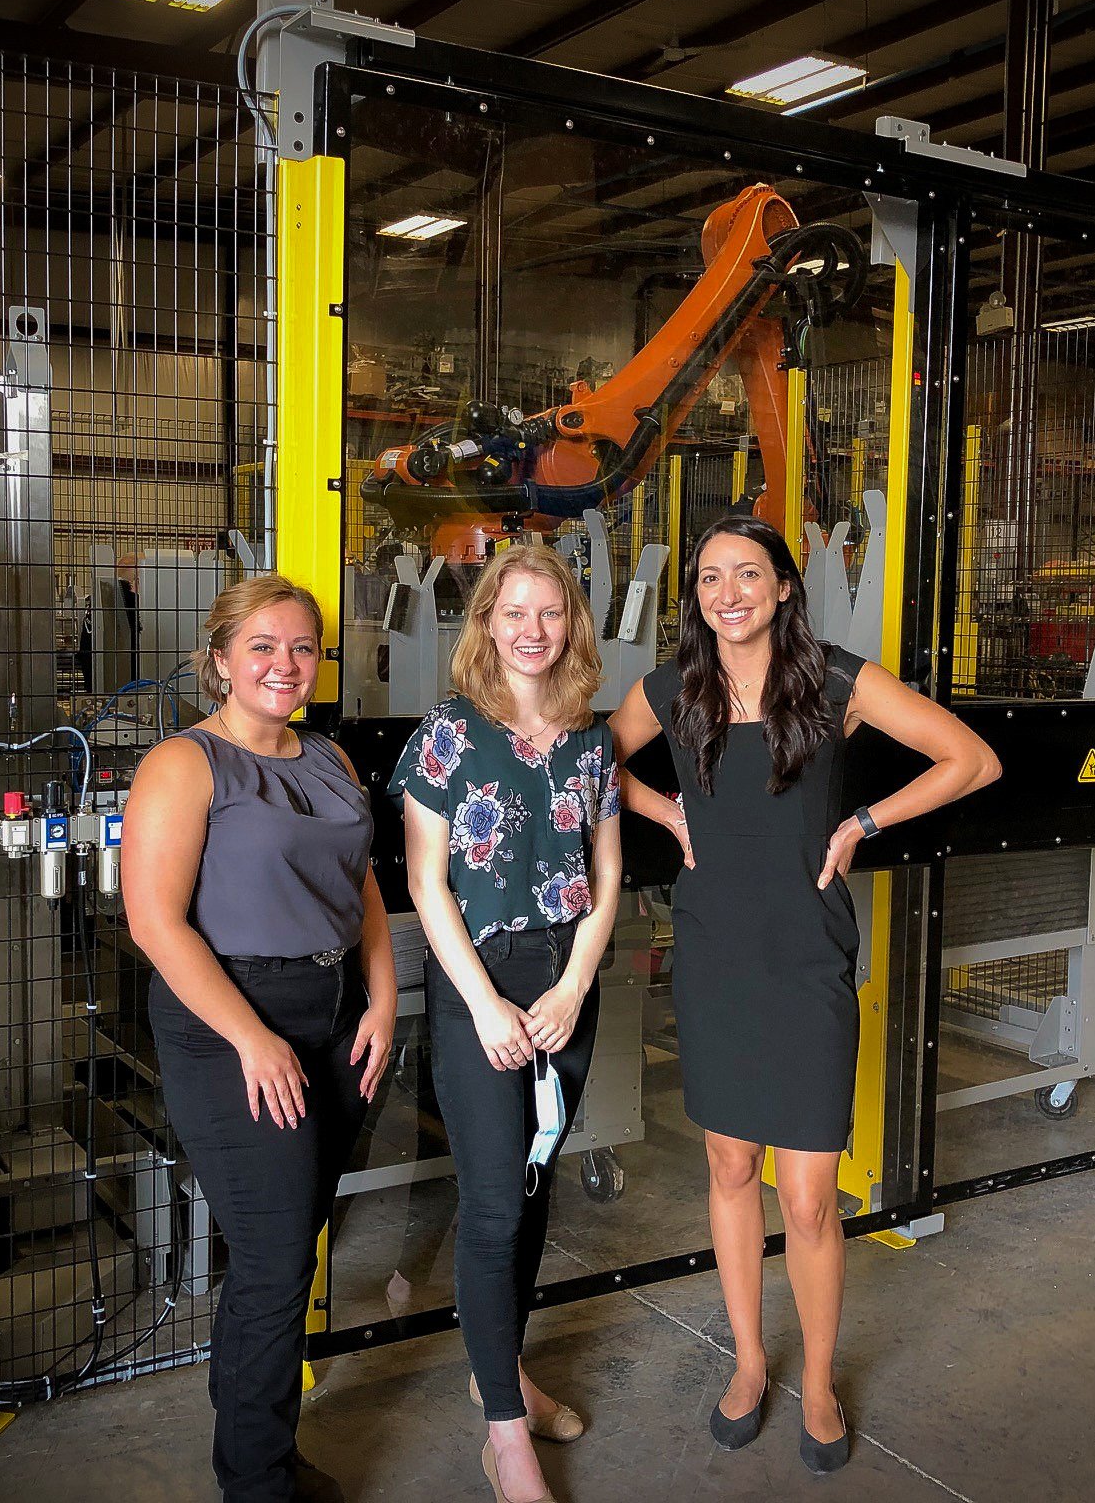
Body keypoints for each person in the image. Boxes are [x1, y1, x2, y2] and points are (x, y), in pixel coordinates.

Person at [609, 514, 1000, 1478]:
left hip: (807, 957)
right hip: (714, 954)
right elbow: (586, 765)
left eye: (748, 574)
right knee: (732, 1165)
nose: (727, 592)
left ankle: (817, 1380)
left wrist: (865, 818)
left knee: (811, 1194)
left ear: (785, 586)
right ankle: (748, 1364)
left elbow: (972, 760)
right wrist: (664, 807)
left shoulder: (838, 681)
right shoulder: (675, 688)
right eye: (708, 578)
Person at [121, 574, 398, 1503]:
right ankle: (257, 1483)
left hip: (333, 1016)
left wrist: (384, 998)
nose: (285, 666)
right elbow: (157, 925)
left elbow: (361, 887)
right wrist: (251, 1038)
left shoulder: (330, 759)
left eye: (302, 649)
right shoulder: (185, 765)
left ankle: (259, 1448)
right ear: (221, 660)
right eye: (264, 647)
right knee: (278, 1261)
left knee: (293, 1244)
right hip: (229, 1022)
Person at [390, 544, 624, 1503]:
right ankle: (505, 1438)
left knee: (531, 1194)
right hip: (476, 982)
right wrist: (485, 1003)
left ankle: (511, 1375)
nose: (532, 630)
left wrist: (571, 987)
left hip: (565, 980)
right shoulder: (448, 732)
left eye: (551, 613)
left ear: (571, 624)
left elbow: (607, 878)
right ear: (484, 621)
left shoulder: (589, 736)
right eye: (513, 612)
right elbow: (424, 880)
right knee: (491, 1205)